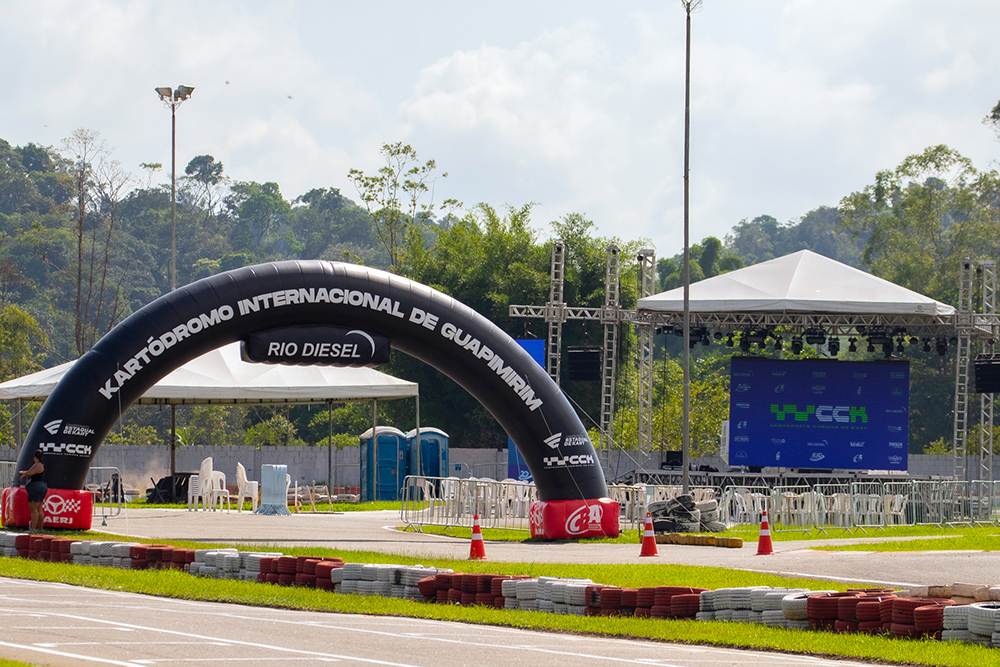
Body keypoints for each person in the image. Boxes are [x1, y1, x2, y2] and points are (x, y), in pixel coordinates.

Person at [18, 450, 47, 533]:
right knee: (39, 509)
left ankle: (33, 529)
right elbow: (30, 472)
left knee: (33, 509)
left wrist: (22, 472)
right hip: (41, 486)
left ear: (35, 457)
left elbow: (30, 472)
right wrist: (24, 475)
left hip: (36, 487)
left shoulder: (38, 465)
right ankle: (40, 529)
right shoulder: (39, 465)